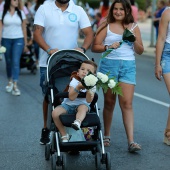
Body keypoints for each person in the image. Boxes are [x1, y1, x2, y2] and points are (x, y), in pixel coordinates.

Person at [33, 0, 93, 145]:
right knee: (49, 95)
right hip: (49, 62)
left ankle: (74, 130)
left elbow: (89, 33)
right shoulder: (44, 9)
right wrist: (48, 49)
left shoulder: (77, 10)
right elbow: (37, 33)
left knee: (74, 95)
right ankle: (46, 127)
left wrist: (83, 48)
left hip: (73, 63)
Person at [91, 0, 144, 152]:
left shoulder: (134, 27)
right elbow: (95, 47)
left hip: (128, 67)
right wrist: (108, 46)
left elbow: (140, 50)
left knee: (127, 103)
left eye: (121, 9)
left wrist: (133, 40)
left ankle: (131, 141)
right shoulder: (106, 24)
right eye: (116, 9)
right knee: (109, 102)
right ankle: (107, 135)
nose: (118, 12)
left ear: (127, 11)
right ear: (112, 10)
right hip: (109, 66)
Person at [52, 60, 97, 142]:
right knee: (55, 113)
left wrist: (88, 90)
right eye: (82, 69)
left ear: (93, 76)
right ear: (78, 72)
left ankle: (78, 122)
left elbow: (89, 100)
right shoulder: (74, 81)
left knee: (82, 108)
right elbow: (71, 97)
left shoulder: (92, 84)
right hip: (68, 104)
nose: (84, 72)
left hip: (83, 105)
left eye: (88, 71)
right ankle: (64, 135)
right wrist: (78, 87)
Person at [0, 0, 27, 96]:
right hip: (6, 40)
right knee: (8, 62)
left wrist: (26, 43)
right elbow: (0, 28)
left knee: (15, 61)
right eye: (15, 0)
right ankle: (10, 81)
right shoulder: (2, 13)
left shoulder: (21, 13)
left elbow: (24, 28)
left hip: (18, 40)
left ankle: (15, 84)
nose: (17, 1)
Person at [155, 3, 170, 146]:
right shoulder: (167, 13)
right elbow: (160, 38)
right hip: (168, 55)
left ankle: (168, 132)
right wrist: (157, 63)